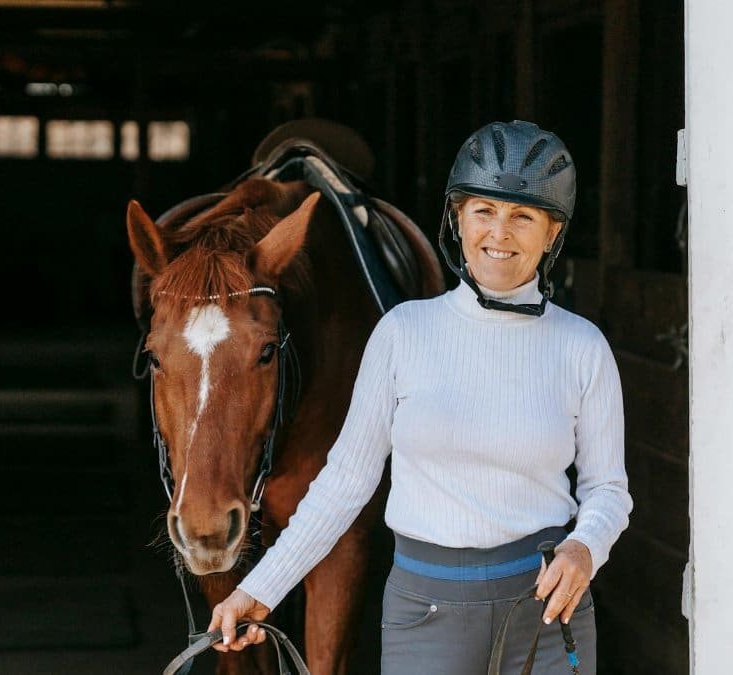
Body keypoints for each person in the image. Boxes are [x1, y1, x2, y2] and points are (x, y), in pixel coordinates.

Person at [207, 120, 632, 674]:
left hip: (547, 608)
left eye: (523, 216)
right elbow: (344, 482)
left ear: (552, 233)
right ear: (458, 219)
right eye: (484, 211)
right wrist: (260, 589)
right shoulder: (403, 333)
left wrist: (585, 548)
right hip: (425, 612)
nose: (499, 234)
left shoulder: (583, 346)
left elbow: (608, 489)